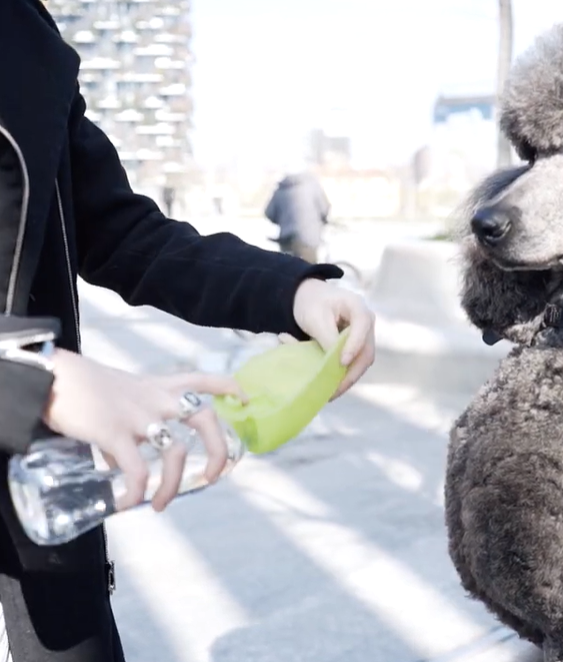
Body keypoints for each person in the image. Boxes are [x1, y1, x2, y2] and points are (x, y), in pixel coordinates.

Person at [0, 1, 376, 660]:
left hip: (42, 491)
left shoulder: (25, 30)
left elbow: (121, 231)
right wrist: (32, 376)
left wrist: (289, 291)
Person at [264, 167, 331, 263]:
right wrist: (322, 220)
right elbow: (324, 208)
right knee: (309, 269)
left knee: (288, 268)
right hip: (308, 239)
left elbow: (269, 213)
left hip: (286, 239)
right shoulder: (313, 186)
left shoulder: (281, 189)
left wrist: (283, 220)